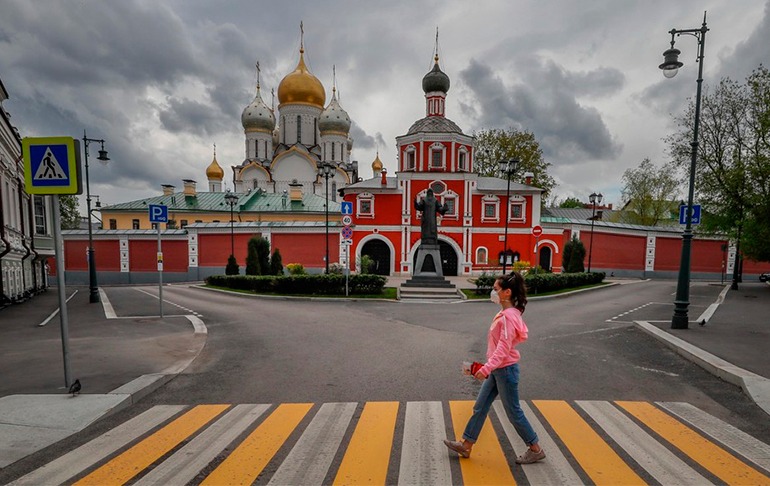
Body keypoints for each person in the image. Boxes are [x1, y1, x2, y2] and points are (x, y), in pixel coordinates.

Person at [444, 271, 545, 464]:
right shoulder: (507, 313)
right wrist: (490, 367)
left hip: (505, 371)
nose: (493, 292)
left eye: (496, 289)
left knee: (513, 412)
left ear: (507, 292)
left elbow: (503, 348)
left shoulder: (508, 316)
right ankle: (466, 445)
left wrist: (487, 368)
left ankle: (535, 448)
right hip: (499, 369)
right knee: (480, 407)